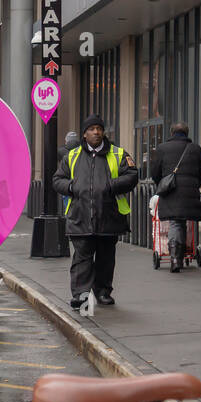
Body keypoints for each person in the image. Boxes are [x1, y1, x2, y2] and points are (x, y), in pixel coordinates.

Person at [52, 114, 138, 308]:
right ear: (84, 134)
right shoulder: (72, 156)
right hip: (80, 217)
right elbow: (57, 180)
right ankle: (81, 295)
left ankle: (103, 292)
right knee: (82, 258)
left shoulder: (118, 154)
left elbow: (132, 175)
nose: (96, 132)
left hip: (109, 217)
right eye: (92, 129)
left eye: (99, 128)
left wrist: (111, 185)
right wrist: (72, 187)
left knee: (106, 259)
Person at [149, 122, 201, 273]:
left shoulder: (162, 149)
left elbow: (155, 172)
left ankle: (175, 258)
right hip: (190, 192)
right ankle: (182, 253)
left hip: (171, 191)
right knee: (182, 222)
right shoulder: (196, 149)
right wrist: (194, 184)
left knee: (175, 222)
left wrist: (162, 184)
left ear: (171, 132)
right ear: (186, 133)